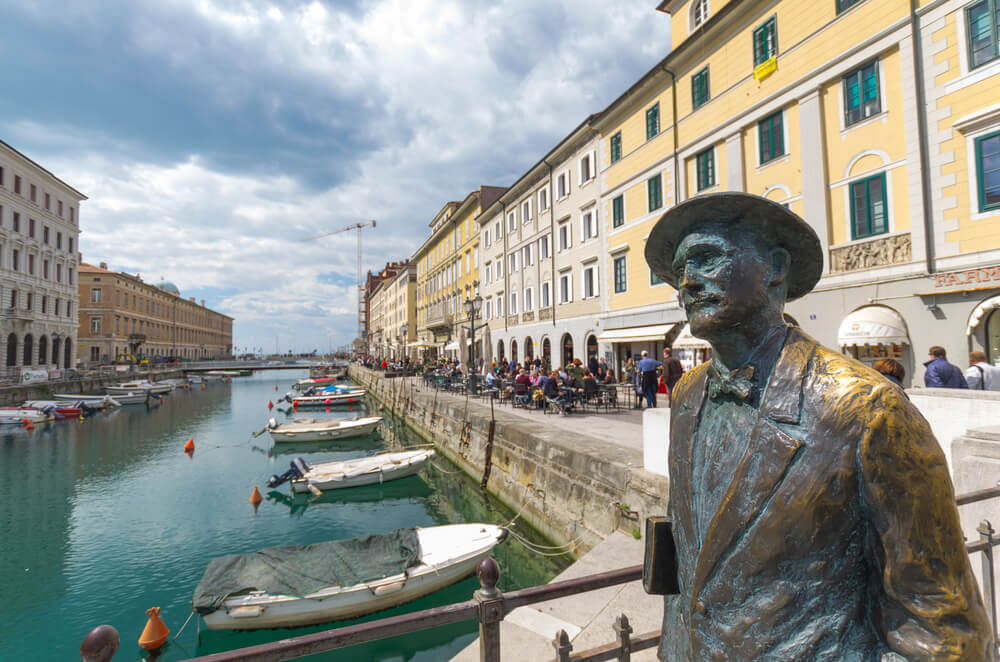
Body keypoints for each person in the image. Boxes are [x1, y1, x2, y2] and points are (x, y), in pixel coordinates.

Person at [643, 192, 993, 661]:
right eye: (679, 271)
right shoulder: (687, 395)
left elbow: (944, 628)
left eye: (707, 258)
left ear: (775, 267)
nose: (686, 282)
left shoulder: (866, 408)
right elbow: (690, 559)